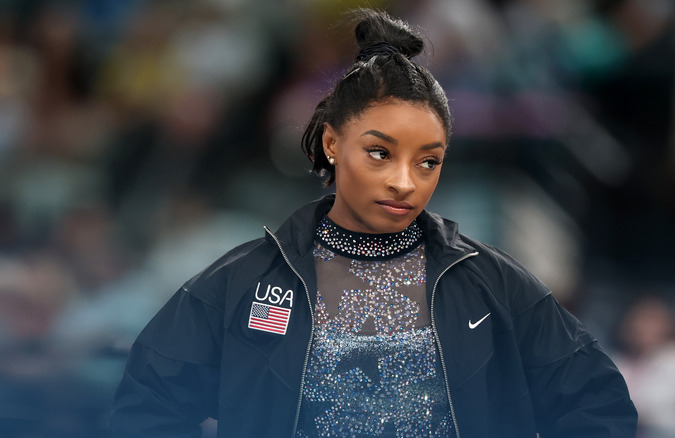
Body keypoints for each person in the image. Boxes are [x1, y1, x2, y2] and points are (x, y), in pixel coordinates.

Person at [111, 9, 637, 438]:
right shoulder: (245, 281)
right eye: (380, 153)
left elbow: (597, 403)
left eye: (427, 161)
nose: (404, 183)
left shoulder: (492, 285)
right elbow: (148, 402)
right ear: (332, 145)